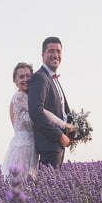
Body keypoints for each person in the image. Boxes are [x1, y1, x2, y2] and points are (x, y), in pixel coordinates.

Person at [1, 61, 73, 180]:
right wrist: (63, 125)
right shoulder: (19, 97)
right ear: (15, 80)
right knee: (21, 181)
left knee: (28, 182)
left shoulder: (28, 96)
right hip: (23, 146)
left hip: (31, 145)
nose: (25, 79)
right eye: (21, 77)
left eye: (28, 76)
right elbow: (41, 113)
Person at [28, 36, 74, 169]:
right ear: (43, 54)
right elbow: (36, 112)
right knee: (47, 182)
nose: (55, 55)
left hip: (58, 146)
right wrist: (59, 135)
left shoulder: (53, 78)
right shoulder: (40, 77)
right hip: (49, 146)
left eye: (58, 51)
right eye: (51, 51)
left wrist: (74, 130)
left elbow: (63, 111)